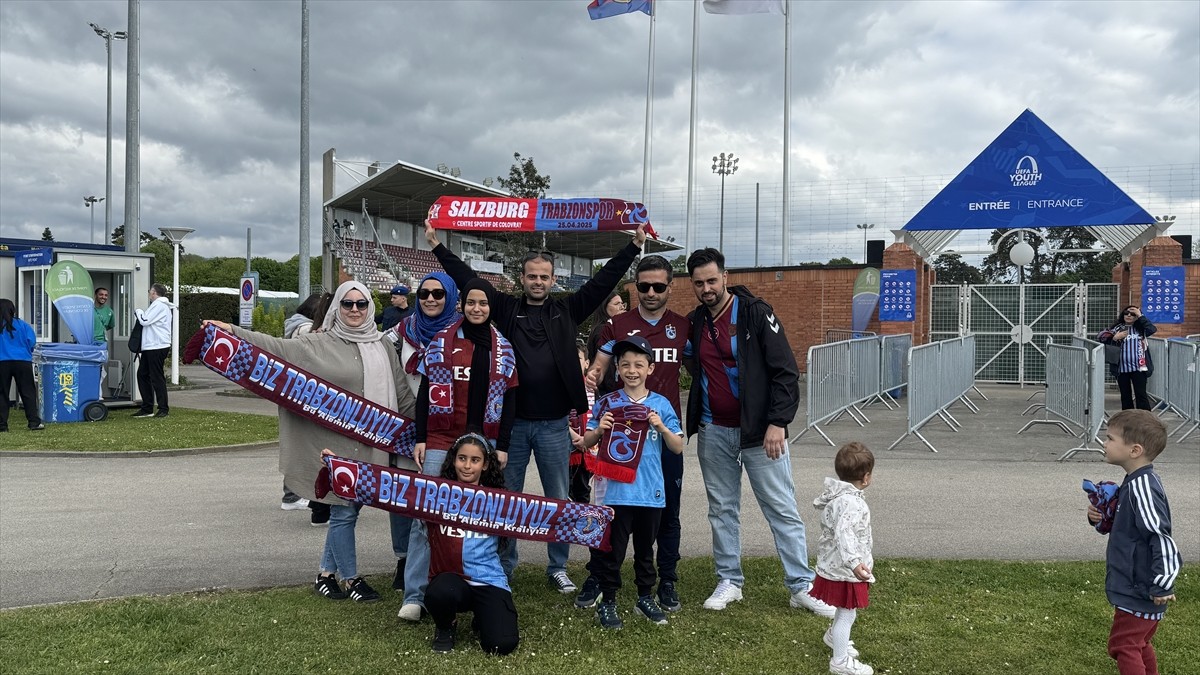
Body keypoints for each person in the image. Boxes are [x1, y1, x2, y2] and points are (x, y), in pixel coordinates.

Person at [425, 218, 647, 594]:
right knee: (504, 499)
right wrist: (435, 246)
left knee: (557, 497)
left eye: (544, 276)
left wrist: (632, 247)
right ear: (522, 278)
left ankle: (557, 566)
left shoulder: (567, 310)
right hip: (509, 427)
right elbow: (467, 279)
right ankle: (503, 563)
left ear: (553, 279)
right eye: (532, 276)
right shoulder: (507, 309)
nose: (538, 282)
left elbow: (602, 282)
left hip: (554, 425)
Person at [202, 281, 416, 604]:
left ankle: (325, 574)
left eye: (361, 303)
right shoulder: (317, 343)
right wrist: (231, 330)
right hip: (338, 444)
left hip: (374, 442)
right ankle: (352, 578)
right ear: (337, 308)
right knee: (344, 511)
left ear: (370, 306)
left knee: (352, 507)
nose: (355, 310)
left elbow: (401, 394)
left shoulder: (384, 346)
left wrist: (425, 432)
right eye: (347, 304)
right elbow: (275, 348)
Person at [682, 247, 834, 618]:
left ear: (725, 277)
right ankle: (729, 581)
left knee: (781, 508)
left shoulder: (755, 312)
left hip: (761, 434)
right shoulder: (695, 321)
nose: (707, 288)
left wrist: (778, 422)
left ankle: (801, 585)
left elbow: (786, 370)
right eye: (699, 283)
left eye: (712, 280)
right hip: (713, 429)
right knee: (722, 509)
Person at [577, 254, 690, 612]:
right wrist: (588, 380)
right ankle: (599, 576)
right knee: (609, 513)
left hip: (659, 437)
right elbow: (596, 370)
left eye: (659, 286)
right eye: (644, 286)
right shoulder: (617, 324)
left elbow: (709, 365)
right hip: (620, 437)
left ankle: (665, 581)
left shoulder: (683, 326)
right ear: (635, 287)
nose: (651, 292)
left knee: (667, 512)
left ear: (670, 287)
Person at [582, 336, 684, 629]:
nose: (632, 370)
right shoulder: (607, 403)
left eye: (639, 364)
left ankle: (644, 597)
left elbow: (677, 447)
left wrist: (661, 426)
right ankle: (609, 600)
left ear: (650, 368)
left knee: (644, 550)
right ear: (617, 368)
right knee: (612, 551)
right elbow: (586, 442)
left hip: (649, 491)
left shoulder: (661, 404)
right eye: (625, 364)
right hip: (615, 491)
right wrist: (599, 430)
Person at [1086, 410, 1180, 675]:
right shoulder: (1136, 482)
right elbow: (1130, 527)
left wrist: (1162, 583)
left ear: (1135, 450)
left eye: (1110, 438)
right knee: (1138, 643)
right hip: (1136, 583)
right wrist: (1099, 517)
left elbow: (1160, 537)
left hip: (1141, 585)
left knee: (1124, 645)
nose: (1104, 443)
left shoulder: (1143, 487)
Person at [390, 271, 461, 620]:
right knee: (419, 510)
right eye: (424, 293)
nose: (430, 299)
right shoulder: (400, 331)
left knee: (462, 513)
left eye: (438, 294)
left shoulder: (464, 333)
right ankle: (412, 589)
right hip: (417, 430)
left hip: (461, 434)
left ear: (450, 296)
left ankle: (462, 581)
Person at [424, 433, 520, 655]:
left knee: (501, 645)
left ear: (485, 465)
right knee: (439, 593)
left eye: (475, 460)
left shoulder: (500, 500)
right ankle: (446, 626)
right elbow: (386, 490)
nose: (467, 466)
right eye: (462, 458)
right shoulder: (433, 495)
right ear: (453, 460)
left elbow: (544, 517)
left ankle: (484, 615)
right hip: (451, 580)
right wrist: (339, 467)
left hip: (488, 579)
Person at [812, 442, 877, 675]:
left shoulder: (839, 497)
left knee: (844, 609)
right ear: (866, 477)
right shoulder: (852, 503)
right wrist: (854, 563)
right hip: (844, 569)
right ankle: (839, 662)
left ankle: (833, 637)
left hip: (833, 564)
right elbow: (845, 533)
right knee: (848, 613)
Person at [280, 293, 327, 513]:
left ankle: (292, 494)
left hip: (293, 390)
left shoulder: (293, 324)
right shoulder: (306, 330)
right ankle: (292, 495)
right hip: (303, 393)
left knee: (297, 444)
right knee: (302, 447)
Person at [1099, 306, 1157, 411]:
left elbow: (1152, 329)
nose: (1129, 315)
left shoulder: (1141, 328)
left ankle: (1145, 420)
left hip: (1139, 368)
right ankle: (1128, 420)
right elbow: (1102, 337)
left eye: (1133, 314)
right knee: (1126, 397)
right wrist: (1115, 337)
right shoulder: (1117, 328)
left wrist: (1140, 315)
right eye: (1127, 313)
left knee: (1141, 395)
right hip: (1121, 368)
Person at [0, 299, 44, 432]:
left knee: (2, 393)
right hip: (22, 362)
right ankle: (33, 422)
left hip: (2, 363)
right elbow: (32, 342)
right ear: (12, 310)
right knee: (27, 392)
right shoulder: (22, 325)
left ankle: (2, 426)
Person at [133, 283, 173, 419]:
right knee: (142, 375)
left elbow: (145, 320)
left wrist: (138, 311)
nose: (149, 293)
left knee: (156, 377)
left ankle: (163, 409)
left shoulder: (159, 305)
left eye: (150, 291)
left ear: (154, 292)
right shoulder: (160, 306)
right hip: (152, 346)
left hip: (157, 345)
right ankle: (147, 407)